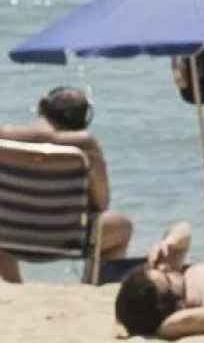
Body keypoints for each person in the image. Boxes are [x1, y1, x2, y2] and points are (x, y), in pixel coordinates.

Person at [0, 85, 131, 282]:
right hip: (70, 239)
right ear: (84, 119)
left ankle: (14, 285)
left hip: (7, 237)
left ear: (42, 107)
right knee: (123, 226)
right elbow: (102, 203)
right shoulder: (85, 145)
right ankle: (91, 286)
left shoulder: (5, 137)